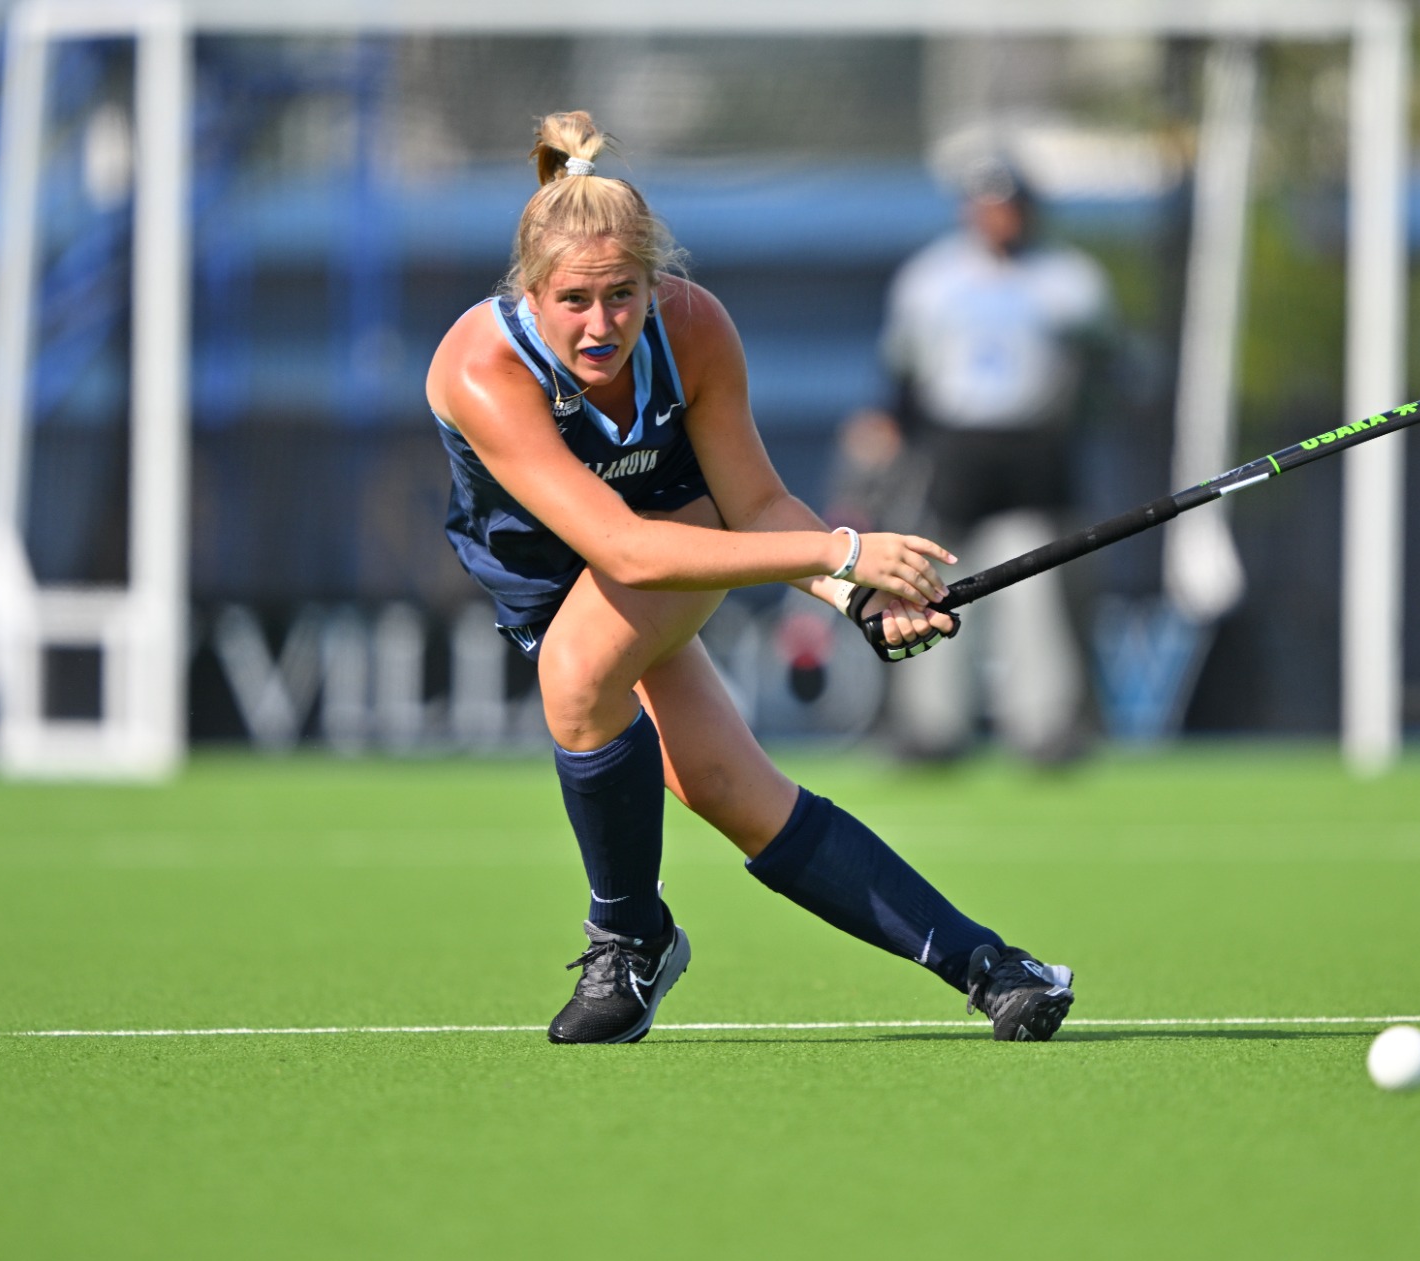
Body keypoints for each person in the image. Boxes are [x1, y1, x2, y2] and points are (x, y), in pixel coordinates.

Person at [425, 112, 1074, 1045]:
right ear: (530, 291)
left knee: (576, 674)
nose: (601, 325)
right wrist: (843, 557)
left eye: (622, 295)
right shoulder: (483, 367)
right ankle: (995, 968)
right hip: (573, 567)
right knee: (727, 784)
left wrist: (856, 592)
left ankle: (628, 938)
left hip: (686, 530)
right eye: (574, 300)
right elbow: (621, 551)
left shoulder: (690, 329)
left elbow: (758, 504)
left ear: (656, 282)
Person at [876, 155, 1113, 764]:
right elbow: (903, 374)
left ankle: (1044, 727)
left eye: (1010, 206)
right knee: (936, 586)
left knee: (1037, 589)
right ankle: (932, 728)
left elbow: (1101, 368)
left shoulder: (1069, 280)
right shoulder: (930, 280)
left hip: (1034, 449)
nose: (1000, 219)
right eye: (988, 206)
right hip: (955, 445)